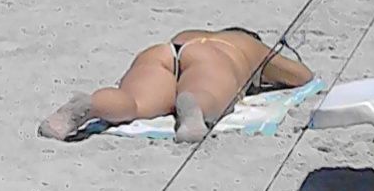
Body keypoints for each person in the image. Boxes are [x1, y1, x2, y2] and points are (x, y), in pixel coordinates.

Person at [40, 27, 316, 145]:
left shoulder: (196, 33)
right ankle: (194, 107)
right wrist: (263, 68)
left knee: (134, 102)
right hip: (212, 58)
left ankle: (92, 105)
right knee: (205, 89)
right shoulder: (246, 46)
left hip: (164, 51)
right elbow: (302, 75)